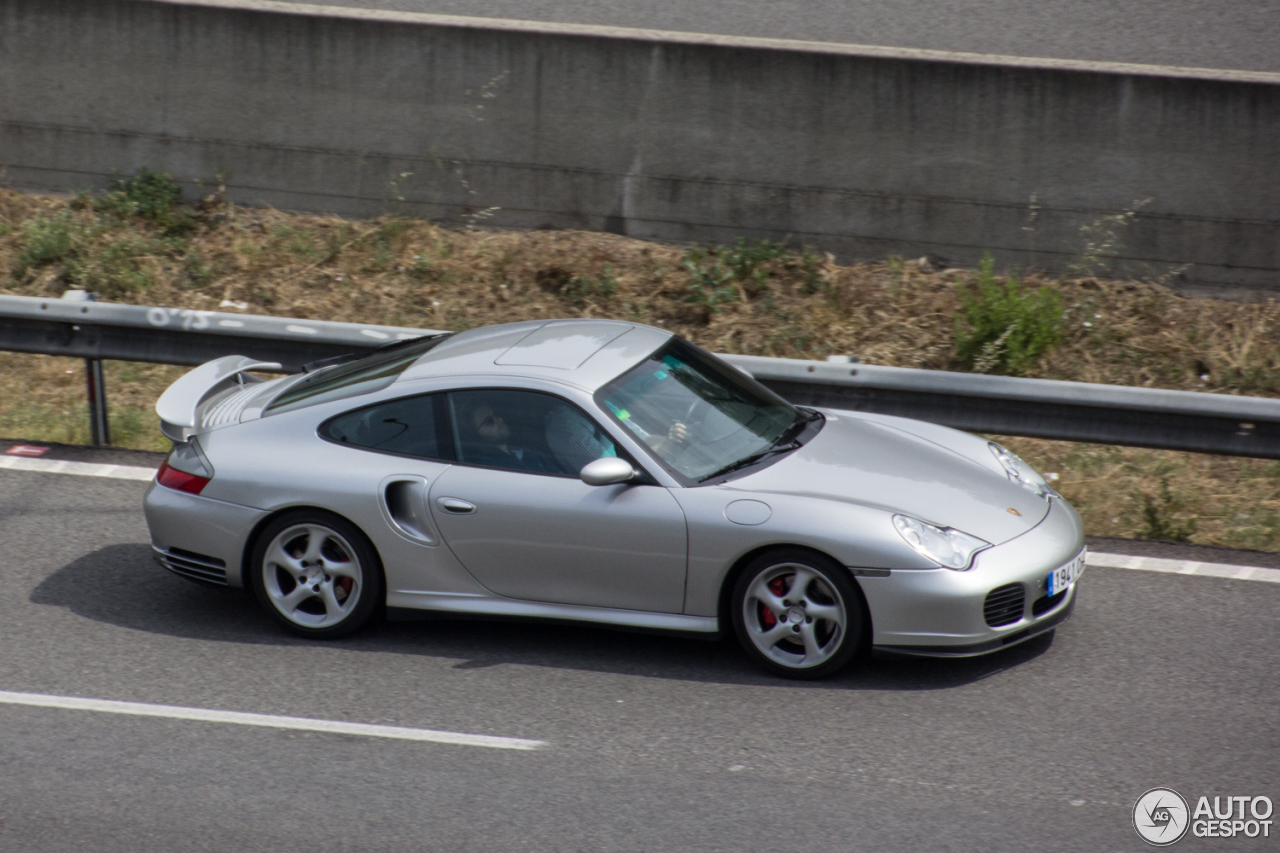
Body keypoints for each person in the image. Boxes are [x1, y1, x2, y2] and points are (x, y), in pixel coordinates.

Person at [456, 395, 559, 474]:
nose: (499, 420)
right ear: (476, 435)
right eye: (489, 421)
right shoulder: (489, 468)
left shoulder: (529, 453)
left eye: (495, 414)